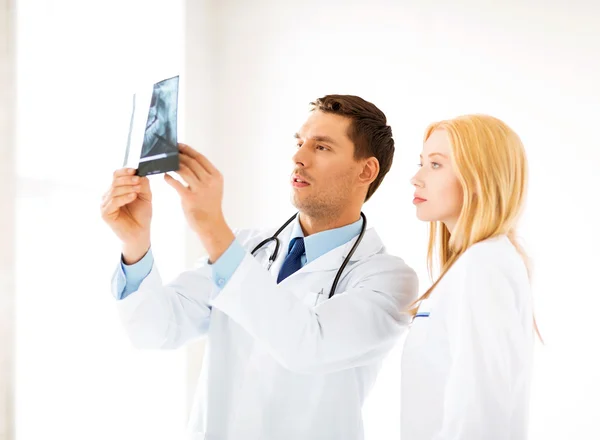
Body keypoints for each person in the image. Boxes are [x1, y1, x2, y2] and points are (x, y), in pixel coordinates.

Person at [100, 95, 418, 440]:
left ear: (366, 170)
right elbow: (153, 330)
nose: (298, 157)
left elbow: (307, 347)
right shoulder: (247, 249)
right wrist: (135, 243)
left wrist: (211, 227)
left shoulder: (388, 280)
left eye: (322, 147)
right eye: (300, 143)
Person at [401, 114, 535, 439]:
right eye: (421, 163)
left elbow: (482, 408)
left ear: (478, 178)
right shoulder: (476, 264)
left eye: (435, 165)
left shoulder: (485, 263)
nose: (415, 178)